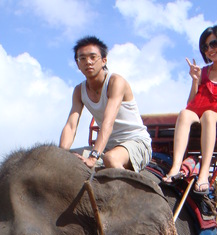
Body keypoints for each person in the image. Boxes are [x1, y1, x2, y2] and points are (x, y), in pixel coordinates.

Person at [163, 25, 217, 191]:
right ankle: (175, 166)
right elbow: (190, 104)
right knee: (184, 114)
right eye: (205, 47)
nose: (209, 50)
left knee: (209, 116)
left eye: (213, 44)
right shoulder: (204, 72)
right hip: (202, 112)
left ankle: (204, 173)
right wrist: (195, 80)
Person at [59, 36, 152, 172]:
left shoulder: (116, 82)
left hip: (135, 142)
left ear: (103, 61)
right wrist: (60, 155)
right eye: (82, 58)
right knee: (69, 161)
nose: (88, 62)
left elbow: (108, 122)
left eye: (93, 57)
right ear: (78, 64)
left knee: (111, 159)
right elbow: (71, 126)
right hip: (108, 146)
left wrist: (94, 156)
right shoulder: (79, 91)